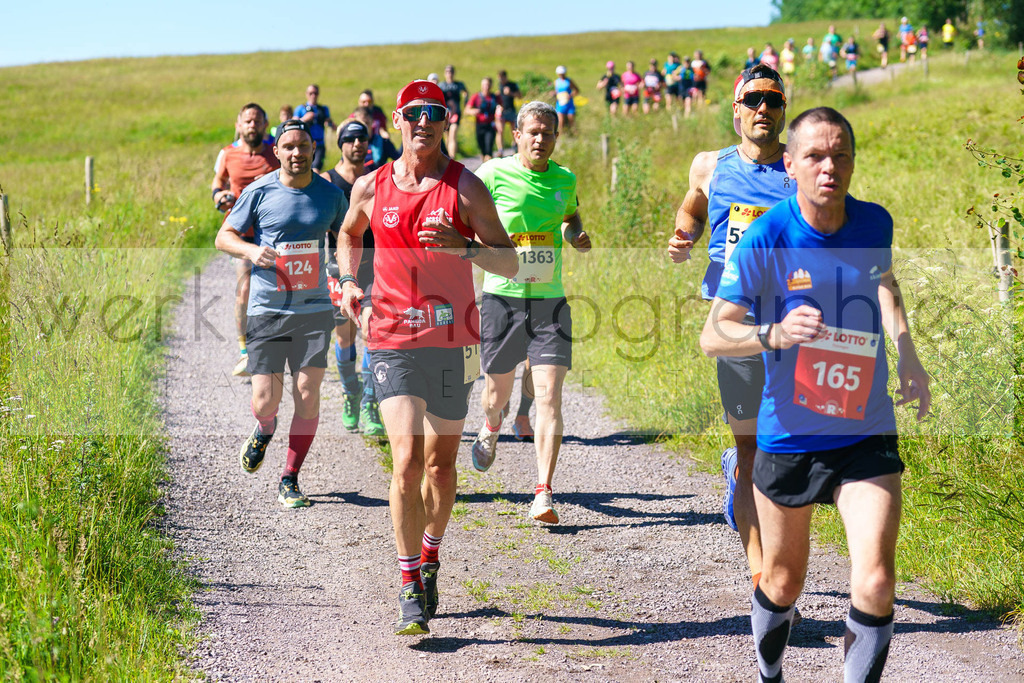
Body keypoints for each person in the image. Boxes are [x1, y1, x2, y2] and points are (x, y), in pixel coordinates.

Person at [699, 106, 930, 683]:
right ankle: (770, 674)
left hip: (864, 426)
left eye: (841, 155)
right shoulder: (768, 235)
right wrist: (773, 334)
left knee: (875, 579)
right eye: (816, 157)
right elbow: (714, 333)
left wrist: (908, 354)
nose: (830, 167)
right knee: (782, 582)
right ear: (791, 165)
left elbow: (884, 283)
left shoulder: (875, 223)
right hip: (791, 432)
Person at [337, 79, 517, 635]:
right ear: (396, 120)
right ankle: (408, 583)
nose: (423, 122)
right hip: (390, 336)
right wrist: (348, 282)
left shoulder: (466, 188)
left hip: (453, 341)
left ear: (447, 121)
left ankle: (432, 552)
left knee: (441, 466)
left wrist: (464, 248)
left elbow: (510, 264)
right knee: (406, 461)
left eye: (434, 113)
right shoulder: (371, 185)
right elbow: (348, 233)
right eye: (413, 113)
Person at [667, 64, 796, 606]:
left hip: (794, 323)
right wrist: (684, 235)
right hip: (735, 324)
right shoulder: (710, 165)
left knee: (789, 449)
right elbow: (692, 208)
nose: (763, 108)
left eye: (774, 100)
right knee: (750, 449)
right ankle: (761, 578)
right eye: (754, 99)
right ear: (736, 109)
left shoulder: (800, 165)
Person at [215, 119, 349, 509]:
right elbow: (225, 236)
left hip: (314, 310)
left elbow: (347, 236)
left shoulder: (329, 195)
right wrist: (252, 251)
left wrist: (348, 278)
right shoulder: (259, 191)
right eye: (288, 146)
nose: (296, 152)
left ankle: (289, 477)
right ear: (277, 151)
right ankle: (263, 428)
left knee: (307, 395)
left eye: (303, 145)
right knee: (265, 400)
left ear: (313, 149)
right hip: (268, 308)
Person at [471, 100, 590, 525]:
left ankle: (542, 491)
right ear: (517, 136)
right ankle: (490, 425)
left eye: (548, 133)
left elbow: (571, 215)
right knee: (495, 395)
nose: (540, 139)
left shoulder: (565, 179)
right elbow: (465, 216)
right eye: (532, 132)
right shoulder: (492, 174)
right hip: (502, 300)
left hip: (549, 302)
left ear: (557, 138)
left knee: (549, 397)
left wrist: (576, 234)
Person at [320, 120, 384, 436]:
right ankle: (351, 393)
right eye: (351, 139)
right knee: (345, 338)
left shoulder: (376, 179)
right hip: (341, 269)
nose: (358, 144)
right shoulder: (328, 181)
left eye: (363, 139)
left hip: (376, 266)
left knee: (372, 332)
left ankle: (371, 402)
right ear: (341, 144)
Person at [211, 103, 281, 377]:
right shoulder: (227, 154)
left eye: (257, 121)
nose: (252, 125)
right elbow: (217, 183)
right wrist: (220, 197)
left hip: (274, 231)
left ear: (265, 125)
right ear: (239, 125)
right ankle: (245, 352)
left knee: (278, 291)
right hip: (241, 232)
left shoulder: (276, 152)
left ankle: (273, 347)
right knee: (244, 290)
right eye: (247, 121)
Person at [295, 84, 335, 172]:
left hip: (319, 144)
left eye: (315, 93)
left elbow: (332, 125)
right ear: (306, 94)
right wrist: (304, 119)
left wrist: (329, 123)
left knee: (316, 169)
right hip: (305, 144)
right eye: (311, 93)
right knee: (304, 169)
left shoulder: (323, 109)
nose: (313, 96)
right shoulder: (301, 109)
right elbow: (292, 124)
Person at [351, 106, 401, 171]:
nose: (364, 127)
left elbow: (399, 161)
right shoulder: (350, 143)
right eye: (360, 124)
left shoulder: (383, 142)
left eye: (366, 123)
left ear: (372, 122)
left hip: (377, 179)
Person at [465, 77, 499, 162]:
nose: (486, 87)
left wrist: (500, 110)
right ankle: (485, 162)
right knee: (482, 148)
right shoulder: (476, 97)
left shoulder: (494, 97)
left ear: (491, 86)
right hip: (479, 125)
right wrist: (473, 111)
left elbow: (502, 107)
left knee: (489, 147)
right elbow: (467, 109)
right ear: (481, 86)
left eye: (487, 85)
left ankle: (488, 162)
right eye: (484, 85)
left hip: (490, 125)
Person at [439, 65, 468, 158]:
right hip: (446, 114)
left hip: (456, 113)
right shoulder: (442, 85)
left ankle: (452, 157)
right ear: (445, 73)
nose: (449, 74)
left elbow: (465, 92)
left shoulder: (458, 84)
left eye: (451, 72)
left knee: (453, 134)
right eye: (447, 72)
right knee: (447, 136)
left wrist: (465, 100)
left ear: (454, 73)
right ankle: (447, 157)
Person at [495, 70, 521, 157]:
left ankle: (515, 147)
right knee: (500, 130)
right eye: (499, 79)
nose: (501, 80)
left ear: (505, 77)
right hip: (502, 110)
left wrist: (511, 93)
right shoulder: (500, 85)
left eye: (502, 78)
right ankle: (500, 150)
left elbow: (520, 95)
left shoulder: (512, 85)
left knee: (513, 130)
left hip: (511, 110)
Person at [551, 65, 579, 133]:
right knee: (561, 122)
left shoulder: (569, 81)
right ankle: (561, 137)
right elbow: (556, 91)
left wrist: (570, 95)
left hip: (569, 103)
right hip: (560, 104)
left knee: (571, 120)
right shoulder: (556, 82)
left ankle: (575, 134)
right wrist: (553, 93)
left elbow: (576, 90)